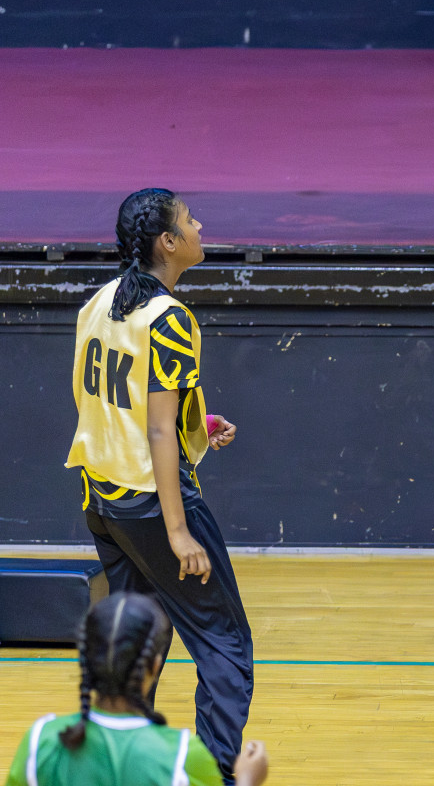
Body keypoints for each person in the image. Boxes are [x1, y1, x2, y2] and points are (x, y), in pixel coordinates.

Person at [64, 189, 254, 785]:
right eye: (191, 220)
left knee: (132, 648)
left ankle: (112, 768)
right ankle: (213, 776)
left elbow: (125, 406)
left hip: (103, 500)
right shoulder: (170, 318)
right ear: (169, 243)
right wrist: (178, 532)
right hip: (152, 508)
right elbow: (152, 428)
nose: (201, 225)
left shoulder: (98, 304)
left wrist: (198, 422)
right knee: (225, 647)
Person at [4, 592, 267, 786]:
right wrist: (247, 780)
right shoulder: (183, 755)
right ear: (154, 665)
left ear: (86, 659)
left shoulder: (41, 742)